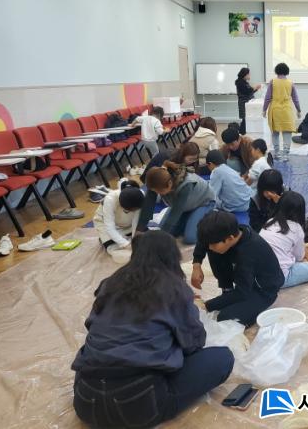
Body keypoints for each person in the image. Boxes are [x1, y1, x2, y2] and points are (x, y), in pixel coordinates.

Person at [71, 232, 234, 429]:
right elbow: (194, 343)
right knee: (223, 358)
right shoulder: (174, 289)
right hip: (139, 405)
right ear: (172, 257)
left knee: (101, 353)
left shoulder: (110, 283)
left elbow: (92, 327)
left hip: (86, 400)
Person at [192, 211, 284, 325]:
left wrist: (206, 305)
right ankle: (227, 289)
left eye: (213, 244)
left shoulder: (247, 254)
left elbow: (242, 292)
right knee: (214, 251)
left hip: (263, 290)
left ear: (230, 238)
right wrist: (196, 265)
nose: (209, 247)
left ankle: (248, 307)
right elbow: (204, 241)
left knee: (226, 318)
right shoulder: (234, 230)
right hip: (245, 279)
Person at [137, 160, 215, 244]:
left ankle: (206, 218)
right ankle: (191, 220)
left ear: (170, 183)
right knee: (166, 230)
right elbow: (148, 205)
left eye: (159, 192)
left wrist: (160, 239)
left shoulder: (186, 184)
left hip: (203, 203)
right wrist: (139, 230)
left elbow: (175, 213)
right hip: (185, 206)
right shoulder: (155, 181)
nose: (157, 193)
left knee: (190, 238)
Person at [260, 191, 308, 289]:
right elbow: (299, 257)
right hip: (279, 278)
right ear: (300, 211)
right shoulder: (296, 228)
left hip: (260, 276)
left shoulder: (269, 222)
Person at [93, 179, 144, 261]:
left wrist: (134, 239)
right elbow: (109, 227)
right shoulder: (110, 199)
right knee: (113, 248)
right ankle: (105, 238)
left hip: (127, 224)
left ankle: (124, 235)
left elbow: (136, 221)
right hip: (105, 223)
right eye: (128, 211)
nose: (131, 212)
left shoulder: (140, 196)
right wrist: (126, 244)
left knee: (144, 238)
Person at [263, 62, 301, 160]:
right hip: (287, 110)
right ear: (287, 71)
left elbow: (267, 98)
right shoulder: (290, 83)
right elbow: (295, 99)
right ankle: (285, 154)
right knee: (287, 132)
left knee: (275, 132)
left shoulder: (273, 82)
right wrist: (299, 110)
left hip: (275, 110)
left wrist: (264, 109)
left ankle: (277, 153)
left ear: (276, 71)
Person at [235, 67, 262, 135]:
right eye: (249, 74)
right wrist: (255, 87)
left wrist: (256, 89)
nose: (250, 76)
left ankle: (242, 132)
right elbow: (247, 91)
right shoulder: (240, 82)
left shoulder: (244, 82)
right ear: (245, 75)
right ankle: (241, 133)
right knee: (245, 118)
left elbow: (250, 92)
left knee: (246, 119)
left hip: (248, 103)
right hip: (244, 103)